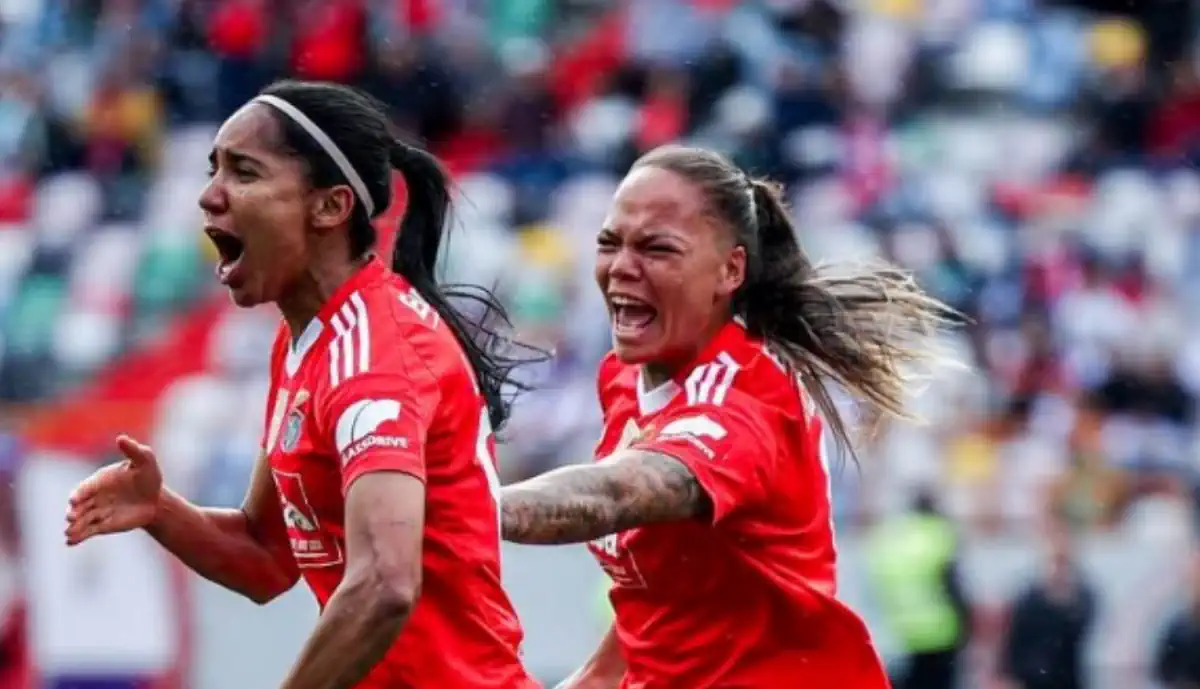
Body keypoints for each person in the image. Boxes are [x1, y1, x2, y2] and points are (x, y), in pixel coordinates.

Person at [62, 79, 542, 689]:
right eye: (213, 170)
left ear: (330, 207)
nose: (209, 197)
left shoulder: (374, 359)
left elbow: (385, 584)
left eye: (244, 172)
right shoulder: (307, 341)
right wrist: (159, 509)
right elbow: (267, 557)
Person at [501, 145, 958, 689]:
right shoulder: (625, 380)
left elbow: (616, 496)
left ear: (730, 269)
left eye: (657, 248)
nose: (622, 266)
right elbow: (648, 618)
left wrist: (458, 506)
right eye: (609, 243)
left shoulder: (748, 400)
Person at [866, 488, 971, 689]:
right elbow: (954, 585)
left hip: (898, 636)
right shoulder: (941, 533)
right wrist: (966, 627)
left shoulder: (887, 539)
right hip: (940, 634)